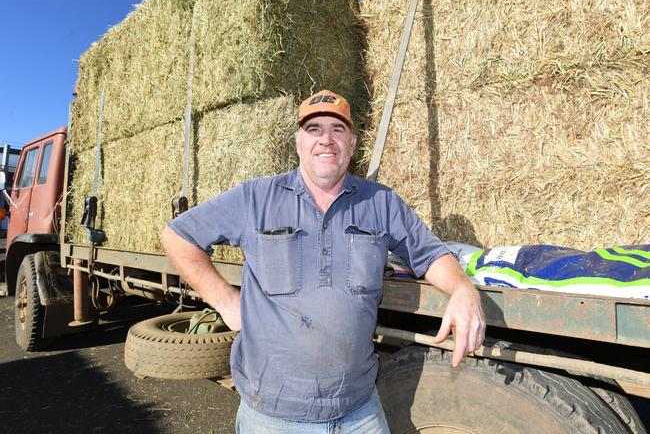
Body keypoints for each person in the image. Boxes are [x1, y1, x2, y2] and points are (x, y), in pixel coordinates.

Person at [161, 90, 486, 433]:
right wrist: (226, 301)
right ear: (298, 141)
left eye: (337, 129)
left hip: (359, 410)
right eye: (314, 129)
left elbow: (430, 254)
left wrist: (463, 289)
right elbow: (178, 236)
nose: (325, 139)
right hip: (273, 415)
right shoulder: (256, 198)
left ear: (353, 142)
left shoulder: (381, 202)